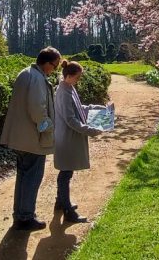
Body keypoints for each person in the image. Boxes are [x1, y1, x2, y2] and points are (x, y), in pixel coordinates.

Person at [0, 47, 60, 231]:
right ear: (47, 63)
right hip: (31, 139)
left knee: (23, 176)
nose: (55, 70)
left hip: (20, 137)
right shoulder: (37, 78)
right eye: (55, 66)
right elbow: (37, 110)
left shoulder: (25, 73)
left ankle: (19, 215)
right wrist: (48, 126)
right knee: (32, 178)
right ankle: (26, 217)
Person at [53, 60, 105, 224]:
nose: (78, 80)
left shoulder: (68, 88)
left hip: (68, 136)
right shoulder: (64, 92)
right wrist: (90, 130)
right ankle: (68, 211)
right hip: (66, 137)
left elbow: (78, 108)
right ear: (68, 76)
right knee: (66, 173)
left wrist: (97, 108)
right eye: (77, 77)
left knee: (66, 171)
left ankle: (61, 203)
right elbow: (70, 119)